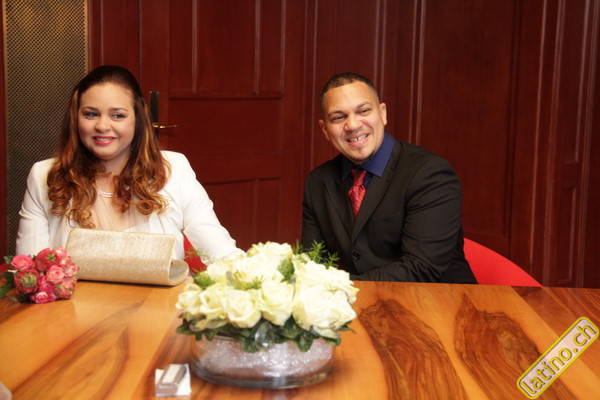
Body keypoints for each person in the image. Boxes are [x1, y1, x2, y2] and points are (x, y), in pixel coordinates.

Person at [16, 65, 240, 262]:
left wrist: (251, 284)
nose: (102, 126)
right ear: (76, 118)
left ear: (137, 118)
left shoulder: (174, 169)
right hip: (74, 300)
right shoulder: (44, 175)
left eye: (118, 115)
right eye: (91, 114)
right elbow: (30, 270)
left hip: (161, 299)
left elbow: (221, 253)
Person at [301, 72, 476, 283]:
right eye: (339, 117)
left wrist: (342, 287)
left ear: (382, 114)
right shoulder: (318, 182)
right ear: (325, 129)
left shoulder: (430, 174)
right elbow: (312, 264)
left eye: (363, 111)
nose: (353, 125)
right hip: (358, 300)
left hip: (437, 299)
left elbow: (421, 268)